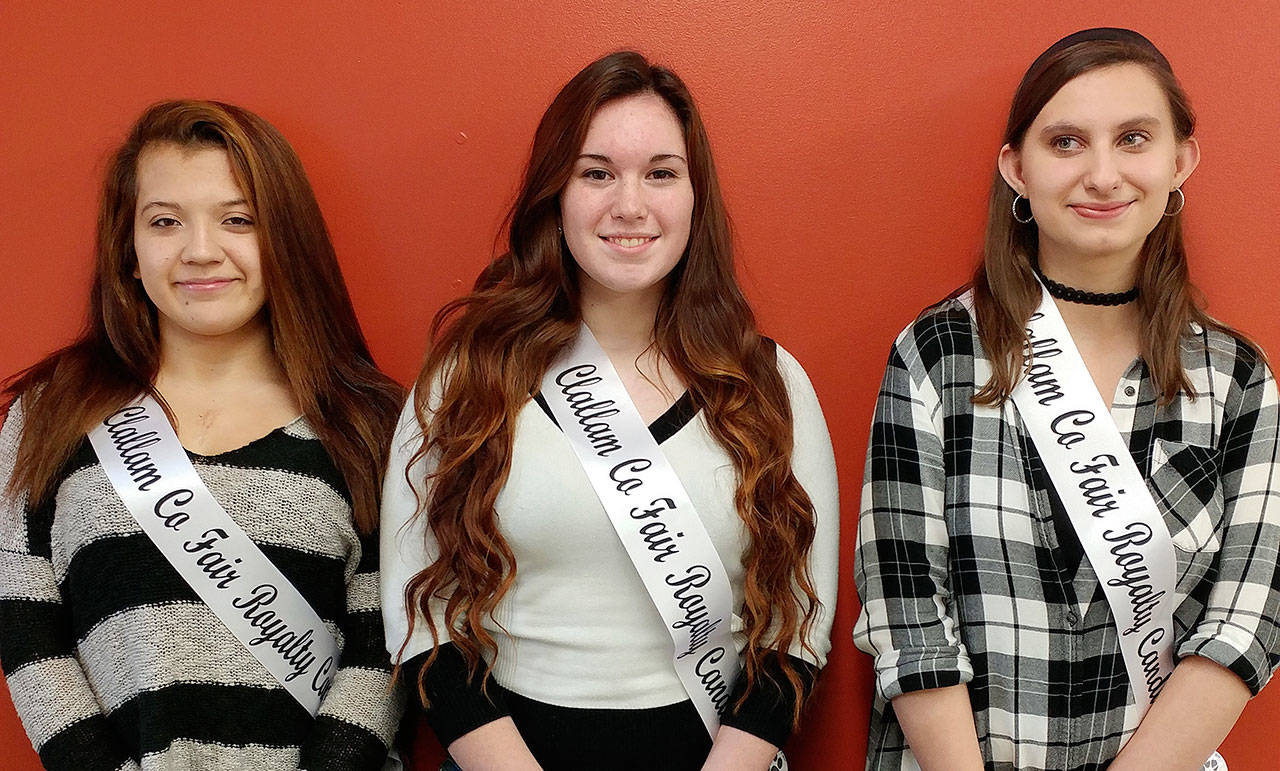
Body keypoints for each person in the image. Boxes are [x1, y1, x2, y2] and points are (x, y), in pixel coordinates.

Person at [380, 51, 838, 771]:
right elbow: (422, 626)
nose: (630, 205)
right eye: (597, 174)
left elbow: (797, 632)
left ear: (695, 197)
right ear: (555, 196)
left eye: (661, 173)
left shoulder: (770, 386)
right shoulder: (467, 377)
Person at [854, 28, 1280, 771]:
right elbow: (906, 612)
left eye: (1133, 139)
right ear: (1017, 170)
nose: (1103, 175)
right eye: (1066, 143)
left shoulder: (1237, 379)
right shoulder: (938, 354)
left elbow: (1249, 620)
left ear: (1180, 160)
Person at [0, 100, 405, 770]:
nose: (200, 250)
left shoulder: (367, 421)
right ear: (129, 250)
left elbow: (385, 641)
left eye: (238, 219)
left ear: (284, 239)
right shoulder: (51, 413)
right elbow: (27, 625)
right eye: (165, 221)